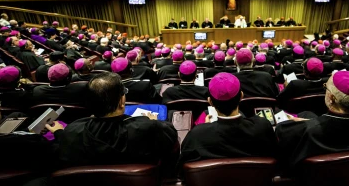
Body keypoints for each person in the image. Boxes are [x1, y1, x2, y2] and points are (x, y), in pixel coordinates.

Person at [45, 71, 178, 168]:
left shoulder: (72, 130)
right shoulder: (149, 128)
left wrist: (59, 133)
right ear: (121, 101)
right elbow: (171, 143)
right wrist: (152, 121)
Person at [276, 71, 349, 175]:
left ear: (331, 98)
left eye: (325, 87)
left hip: (313, 184)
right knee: (307, 114)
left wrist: (310, 124)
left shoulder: (306, 130)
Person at [179, 72, 278, 164]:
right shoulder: (263, 127)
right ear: (241, 96)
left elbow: (182, 170)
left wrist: (206, 127)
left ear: (210, 102)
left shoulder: (196, 135)